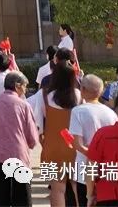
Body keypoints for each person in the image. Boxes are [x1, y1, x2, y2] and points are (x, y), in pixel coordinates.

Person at [0, 71, 39, 207]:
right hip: (19, 156)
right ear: (17, 86)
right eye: (24, 86)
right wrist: (30, 144)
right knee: (22, 199)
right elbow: (32, 137)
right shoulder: (24, 105)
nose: (25, 90)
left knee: (0, 199)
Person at [31, 61, 81, 207]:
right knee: (76, 185)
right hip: (74, 146)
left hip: (52, 146)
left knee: (57, 188)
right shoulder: (78, 95)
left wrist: (42, 141)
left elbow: (38, 123)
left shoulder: (44, 95)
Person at [68, 75, 118, 206]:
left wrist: (94, 156)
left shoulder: (78, 111)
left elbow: (77, 144)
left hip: (84, 170)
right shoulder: (111, 113)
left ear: (83, 89)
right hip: (107, 170)